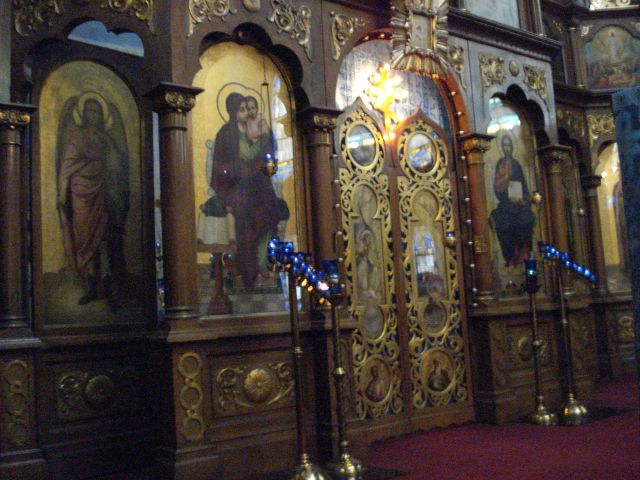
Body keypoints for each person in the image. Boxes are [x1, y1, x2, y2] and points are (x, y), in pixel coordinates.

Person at [57, 96, 129, 311]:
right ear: (82, 114)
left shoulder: (106, 139)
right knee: (85, 240)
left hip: (103, 192)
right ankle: (89, 287)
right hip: (81, 194)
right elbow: (67, 167)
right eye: (88, 111)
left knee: (104, 241)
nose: (92, 115)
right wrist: (62, 192)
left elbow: (118, 165)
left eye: (96, 111)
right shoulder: (76, 138)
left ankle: (107, 290)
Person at [210, 93, 281, 290]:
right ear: (233, 112)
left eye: (247, 109)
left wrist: (264, 138)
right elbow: (223, 166)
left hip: (256, 186)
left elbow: (264, 158)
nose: (245, 113)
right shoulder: (226, 133)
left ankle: (262, 264)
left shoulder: (254, 129)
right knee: (248, 219)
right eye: (241, 110)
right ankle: (250, 272)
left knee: (269, 213)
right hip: (234, 188)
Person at [490, 134, 535, 270]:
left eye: (509, 145)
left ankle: (524, 256)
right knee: (501, 221)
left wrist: (523, 199)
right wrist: (505, 179)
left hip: (519, 203)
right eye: (505, 145)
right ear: (502, 148)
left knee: (528, 218)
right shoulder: (500, 164)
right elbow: (497, 188)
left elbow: (524, 187)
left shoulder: (516, 164)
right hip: (505, 204)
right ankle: (509, 258)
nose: (507, 148)